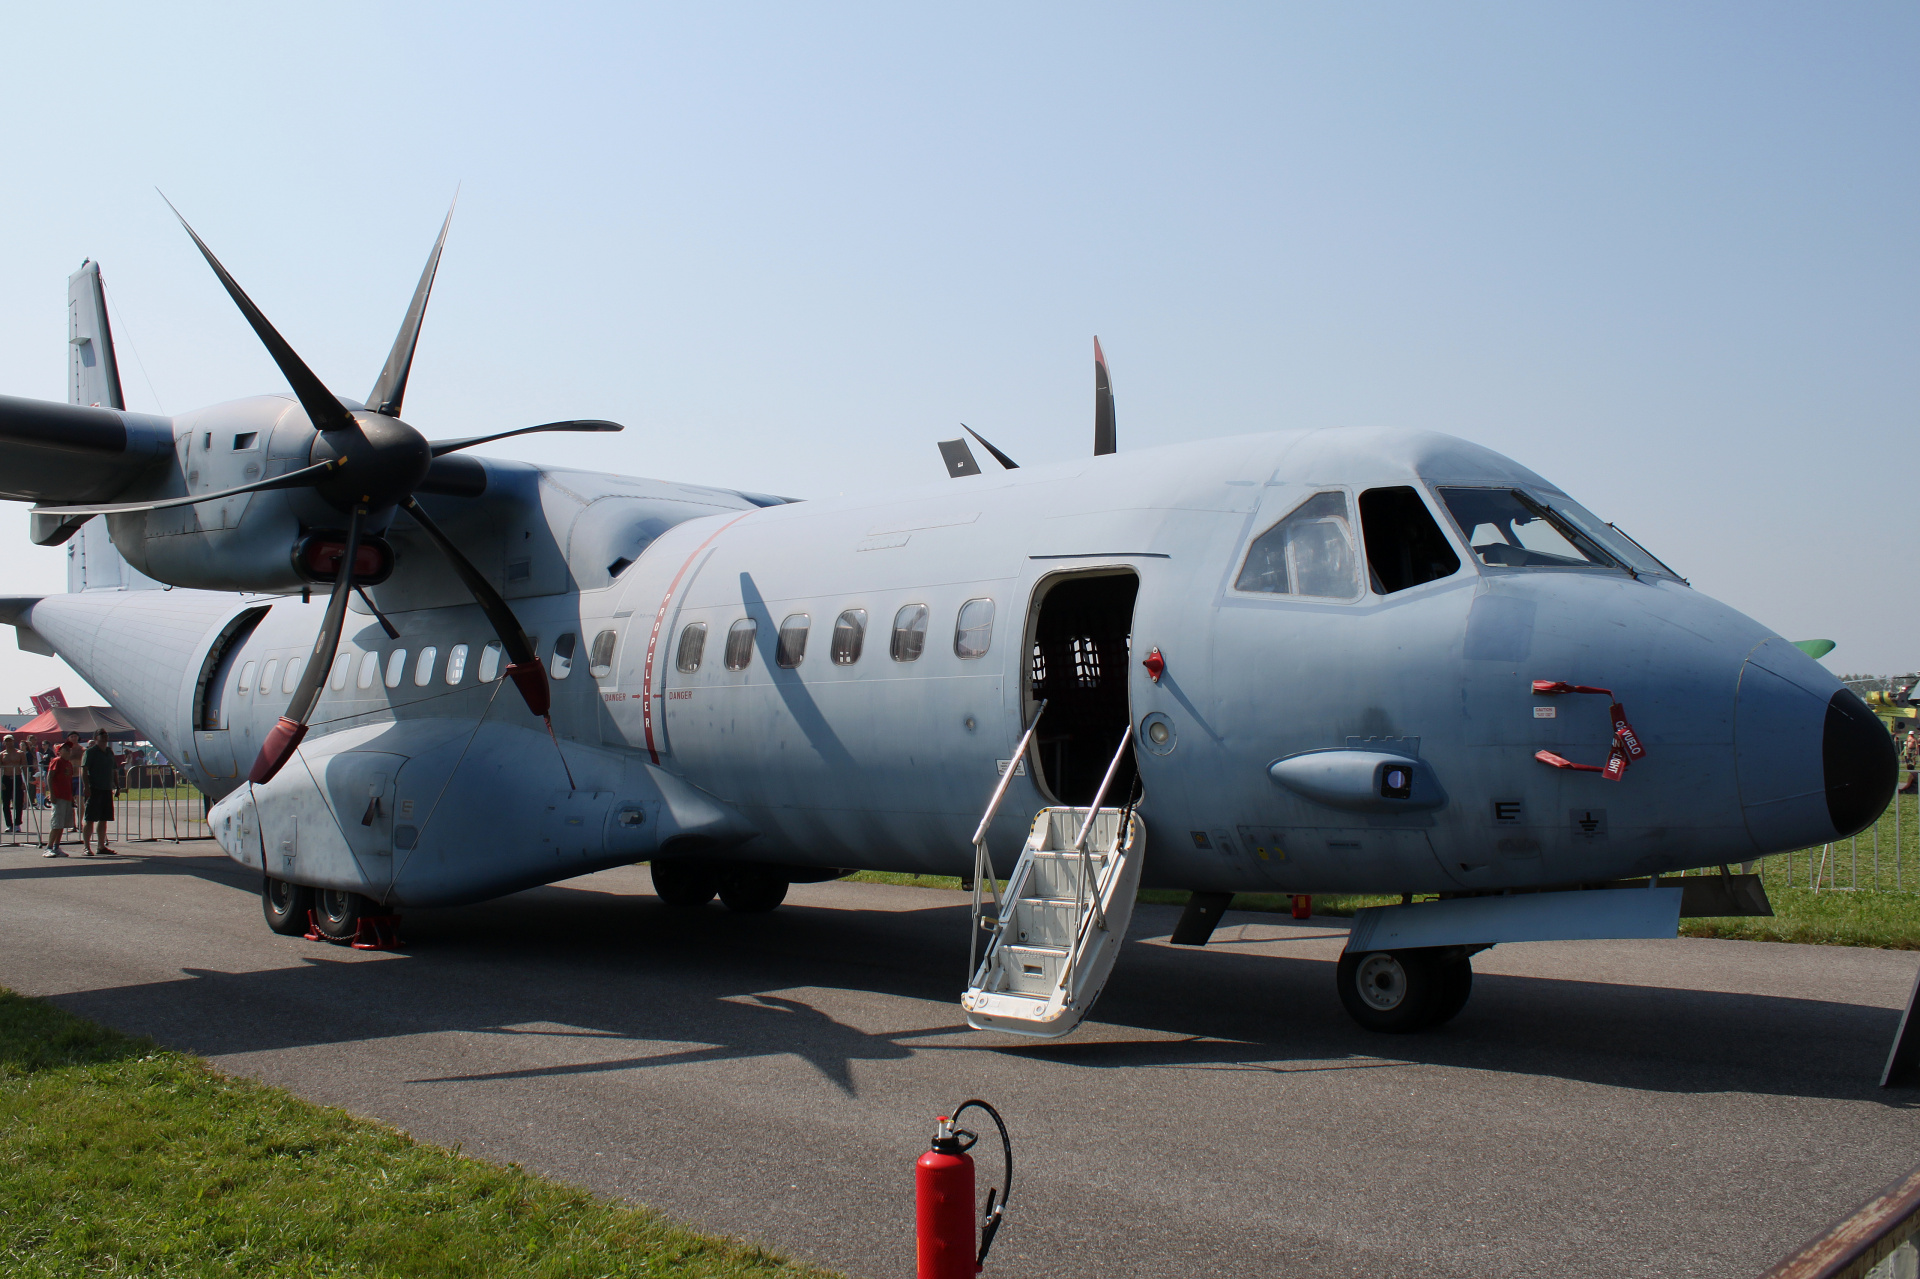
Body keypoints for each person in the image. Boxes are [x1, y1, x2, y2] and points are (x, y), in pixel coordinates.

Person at [81, 729, 118, 856]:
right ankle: (86, 847)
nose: (105, 737)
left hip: (107, 789)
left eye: (107, 735)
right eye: (102, 735)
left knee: (104, 819)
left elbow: (114, 770)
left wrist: (117, 786)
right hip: (94, 788)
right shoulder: (90, 752)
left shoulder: (109, 752)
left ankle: (101, 846)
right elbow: (84, 770)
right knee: (90, 818)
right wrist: (86, 787)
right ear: (96, 737)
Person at [43, 737, 76, 857]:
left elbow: (69, 781)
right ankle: (48, 847)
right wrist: (51, 793)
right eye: (65, 749)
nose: (68, 751)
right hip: (59, 796)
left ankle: (57, 846)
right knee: (56, 823)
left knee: (62, 824)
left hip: (66, 796)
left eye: (69, 749)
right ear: (59, 751)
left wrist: (72, 796)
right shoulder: (57, 761)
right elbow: (50, 777)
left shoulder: (69, 764)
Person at [0, 734, 25, 832]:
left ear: (13, 741)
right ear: (4, 742)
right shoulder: (2, 754)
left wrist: (24, 781)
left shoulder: (20, 753)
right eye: (7, 741)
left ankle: (17, 823)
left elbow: (24, 767)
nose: (8, 743)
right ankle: (9, 824)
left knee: (18, 802)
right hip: (6, 778)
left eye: (10, 741)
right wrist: (1, 782)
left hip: (17, 778)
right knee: (6, 803)